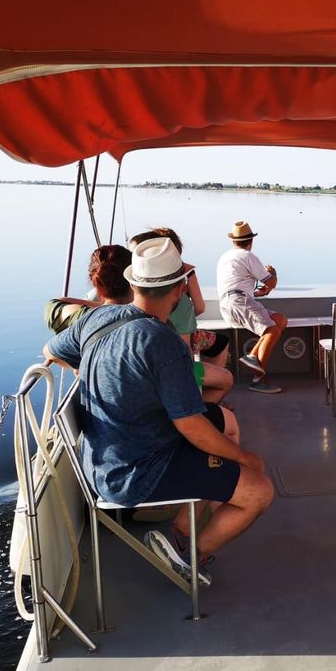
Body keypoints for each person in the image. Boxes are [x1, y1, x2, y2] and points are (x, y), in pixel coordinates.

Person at [44, 237, 274, 586]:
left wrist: (82, 370)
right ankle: (189, 558)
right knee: (258, 489)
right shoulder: (163, 342)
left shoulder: (97, 318)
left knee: (222, 436)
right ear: (180, 289)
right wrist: (247, 459)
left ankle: (183, 526)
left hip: (101, 462)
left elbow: (50, 349)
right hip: (138, 471)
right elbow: (191, 426)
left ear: (133, 283)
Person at [130, 228, 233, 403]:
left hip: (142, 371)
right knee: (222, 356)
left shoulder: (127, 301)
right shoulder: (183, 298)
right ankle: (209, 401)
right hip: (185, 350)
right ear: (178, 289)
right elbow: (199, 308)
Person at [217, 220, 287, 394]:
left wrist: (257, 293)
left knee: (280, 320)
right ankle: (259, 379)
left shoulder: (226, 256)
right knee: (272, 330)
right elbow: (270, 282)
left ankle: (253, 356)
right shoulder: (248, 256)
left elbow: (236, 286)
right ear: (251, 241)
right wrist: (273, 274)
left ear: (234, 240)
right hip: (238, 302)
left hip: (231, 303)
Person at [44, 245, 133, 333]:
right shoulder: (141, 319)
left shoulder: (87, 317)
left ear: (96, 283)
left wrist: (103, 306)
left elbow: (53, 305)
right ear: (133, 279)